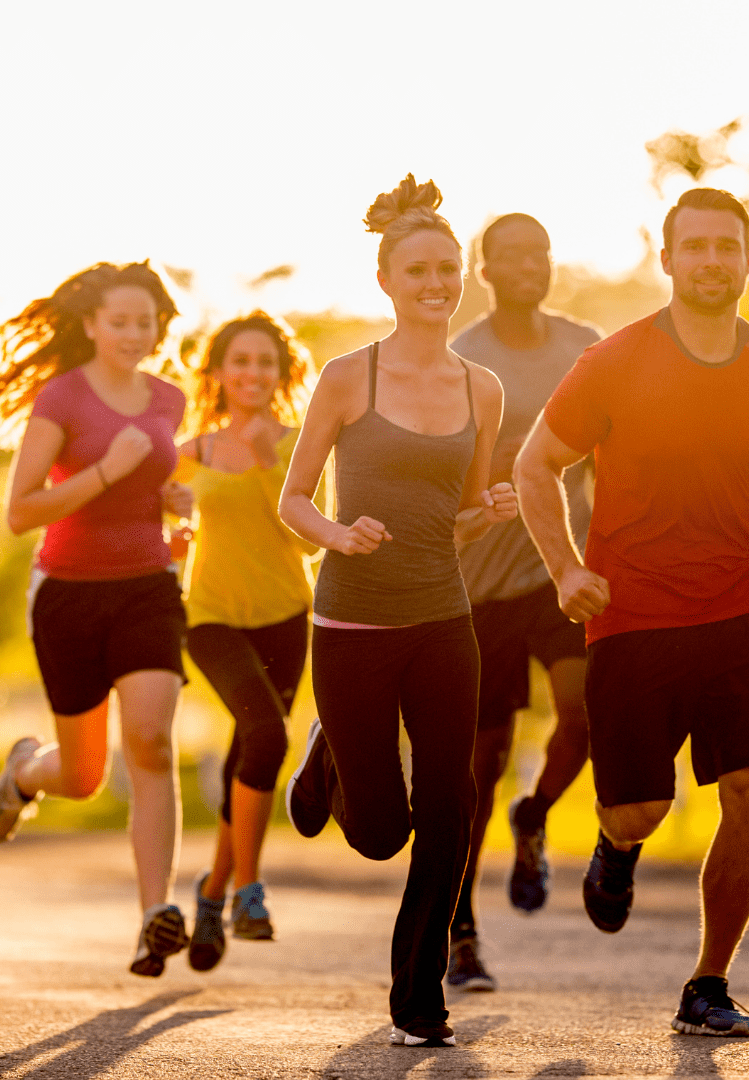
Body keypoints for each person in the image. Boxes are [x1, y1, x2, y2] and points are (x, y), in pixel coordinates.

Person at [516, 188, 749, 1038]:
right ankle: (615, 848)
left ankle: (709, 981)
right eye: (692, 246)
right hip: (633, 618)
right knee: (640, 810)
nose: (709, 261)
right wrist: (564, 569)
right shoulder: (614, 363)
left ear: (747, 258)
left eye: (725, 247)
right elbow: (534, 465)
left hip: (742, 609)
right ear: (666, 260)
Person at [279, 174, 516, 1048]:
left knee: (450, 807)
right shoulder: (348, 378)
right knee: (380, 834)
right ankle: (335, 754)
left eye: (448, 270)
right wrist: (338, 537)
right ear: (387, 278)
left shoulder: (481, 390)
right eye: (419, 269)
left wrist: (482, 512)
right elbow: (293, 501)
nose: (437, 284)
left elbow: (448, 520)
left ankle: (420, 1001)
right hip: (351, 624)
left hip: (444, 622)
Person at [0, 261, 196, 978]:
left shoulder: (169, 399)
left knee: (153, 742)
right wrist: (105, 471)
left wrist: (173, 505)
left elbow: (151, 486)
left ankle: (153, 916)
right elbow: (20, 511)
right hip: (68, 591)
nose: (134, 333)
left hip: (149, 587)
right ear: (92, 324)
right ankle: (25, 775)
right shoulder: (61, 397)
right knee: (85, 773)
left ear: (160, 327)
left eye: (146, 322)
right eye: (120, 321)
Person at [444, 213, 602, 994]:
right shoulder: (463, 357)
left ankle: (535, 815)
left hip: (558, 572)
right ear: (486, 268)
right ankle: (460, 928)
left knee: (584, 713)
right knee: (481, 762)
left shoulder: (585, 346)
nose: (529, 264)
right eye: (511, 254)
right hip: (480, 585)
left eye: (539, 251)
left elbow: (617, 452)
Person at [174, 311, 318, 971]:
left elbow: (311, 537)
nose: (253, 373)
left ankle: (210, 895)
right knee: (266, 737)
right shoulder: (193, 450)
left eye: (265, 362)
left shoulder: (298, 443)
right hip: (209, 617)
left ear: (281, 372)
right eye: (241, 361)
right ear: (219, 373)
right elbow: (159, 518)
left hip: (286, 613)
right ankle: (249, 893)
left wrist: (266, 466)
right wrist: (168, 529)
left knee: (250, 748)